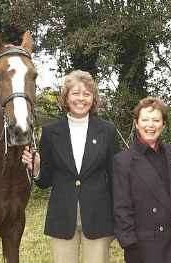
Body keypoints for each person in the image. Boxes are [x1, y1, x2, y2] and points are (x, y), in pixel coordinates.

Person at [22, 70, 118, 263]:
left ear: (93, 98)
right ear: (66, 97)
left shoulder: (107, 131)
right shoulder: (50, 132)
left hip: (99, 217)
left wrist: (119, 216)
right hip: (62, 217)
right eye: (75, 93)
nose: (81, 99)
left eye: (87, 94)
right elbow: (46, 180)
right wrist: (37, 168)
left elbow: (115, 177)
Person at [112, 97, 171, 263]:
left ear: (163, 124)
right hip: (145, 249)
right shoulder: (123, 161)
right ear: (136, 123)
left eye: (156, 120)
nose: (150, 125)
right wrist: (130, 246)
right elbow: (121, 207)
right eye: (145, 120)